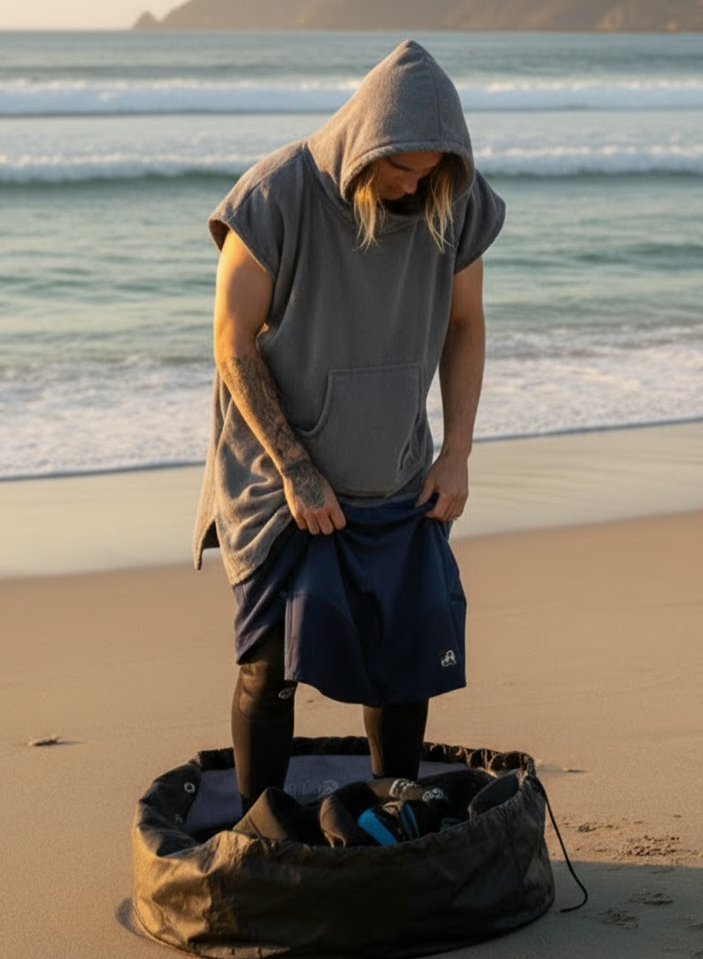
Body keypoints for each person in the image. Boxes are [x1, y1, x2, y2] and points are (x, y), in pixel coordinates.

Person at [193, 40, 505, 812]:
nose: (412, 185)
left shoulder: (452, 199)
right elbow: (231, 344)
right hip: (279, 479)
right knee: (269, 671)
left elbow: (466, 325)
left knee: (404, 665)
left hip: (398, 472)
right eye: (400, 169)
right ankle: (262, 837)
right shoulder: (274, 197)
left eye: (430, 171)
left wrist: (457, 451)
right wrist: (297, 469)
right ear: (365, 141)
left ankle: (393, 820)